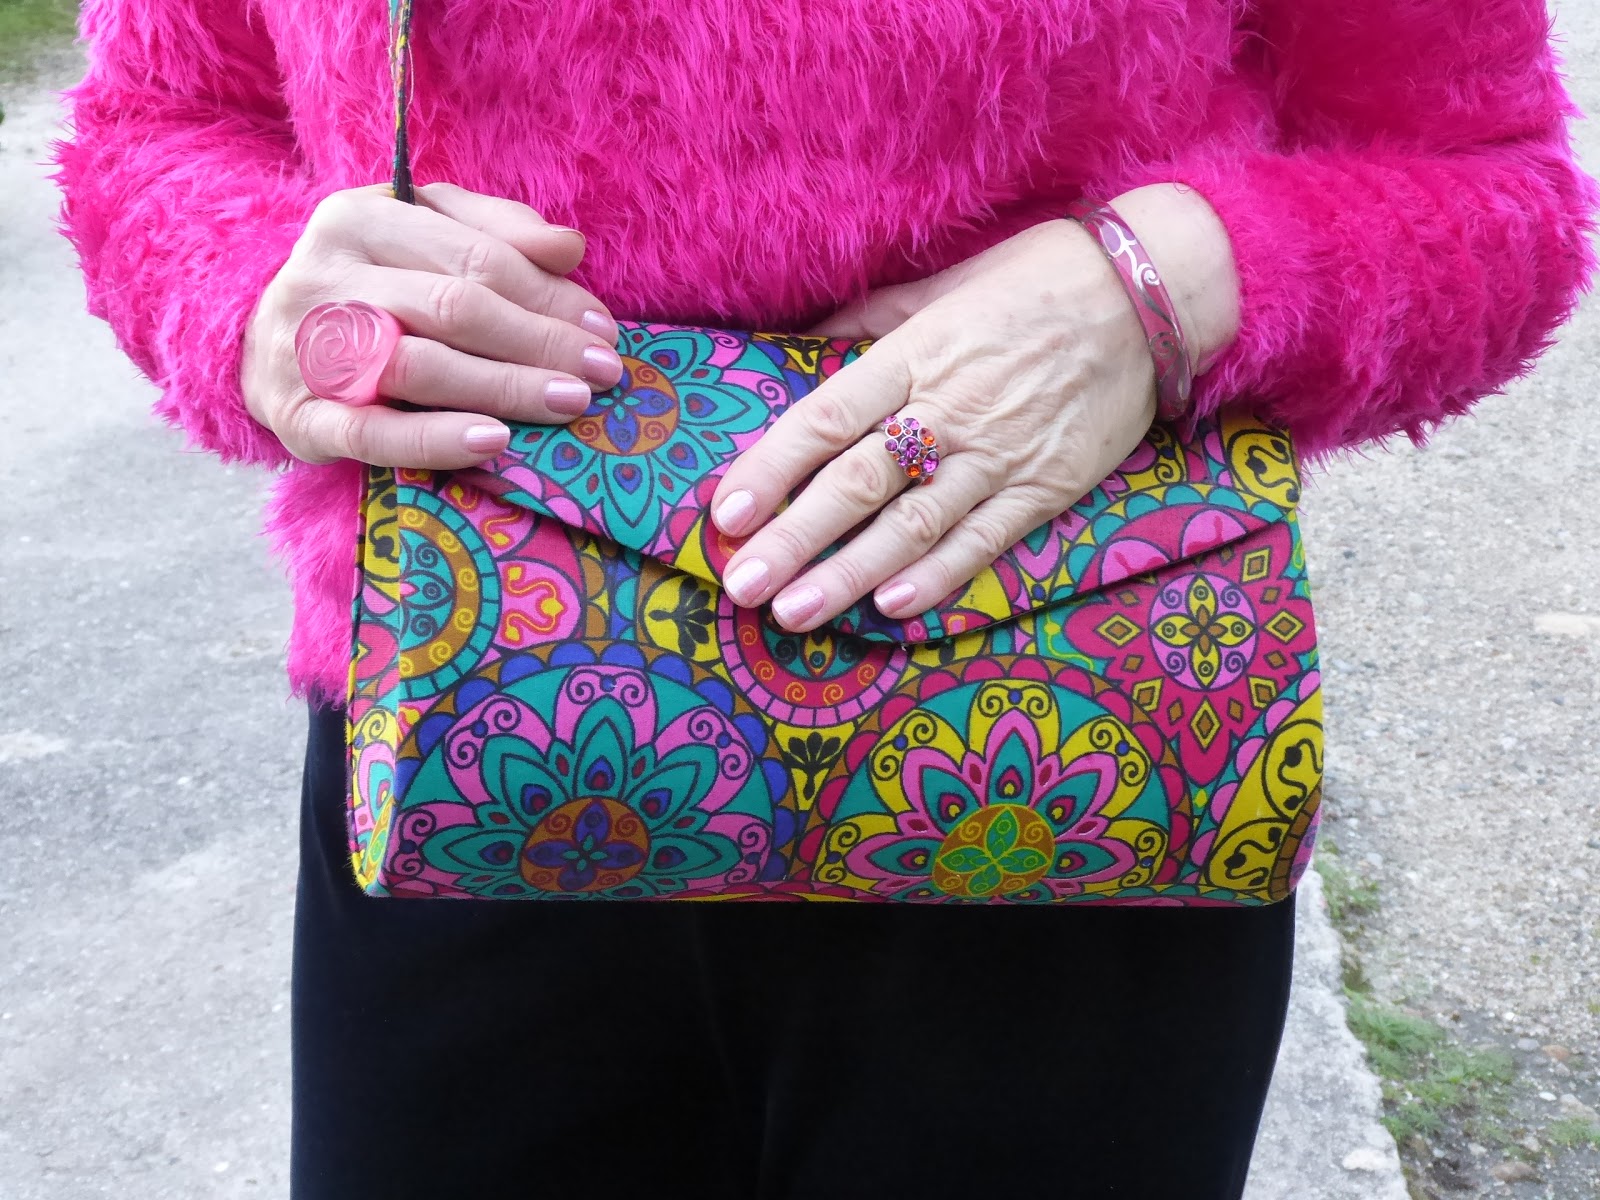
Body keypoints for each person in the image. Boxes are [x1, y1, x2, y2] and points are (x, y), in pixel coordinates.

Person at [48, 1, 1596, 1196]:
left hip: (1074, 798)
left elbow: (1492, 195)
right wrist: (257, 299)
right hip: (475, 752)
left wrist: (1171, 280)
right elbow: (156, 129)